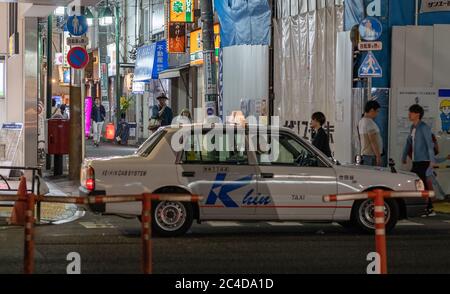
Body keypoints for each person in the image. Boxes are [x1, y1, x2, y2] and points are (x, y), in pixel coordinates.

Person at [401, 104, 436, 216]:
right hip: (416, 161)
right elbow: (408, 142)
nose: (409, 114)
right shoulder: (413, 127)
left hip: (424, 161)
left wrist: (432, 161)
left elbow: (429, 145)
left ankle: (430, 208)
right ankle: (425, 207)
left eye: (411, 112)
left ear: (418, 114)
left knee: (422, 184)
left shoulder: (424, 127)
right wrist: (404, 156)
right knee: (419, 184)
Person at [358, 100, 383, 166]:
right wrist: (378, 156)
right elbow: (372, 140)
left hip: (366, 155)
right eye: (377, 111)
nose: (377, 114)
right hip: (371, 156)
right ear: (372, 110)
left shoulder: (361, 121)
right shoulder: (369, 122)